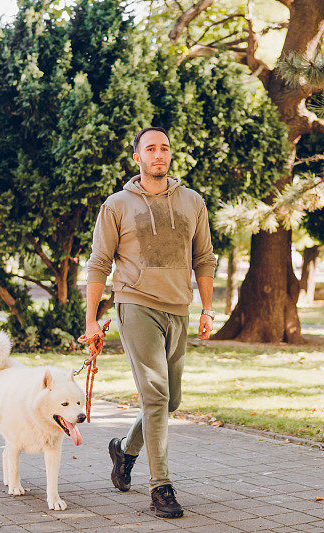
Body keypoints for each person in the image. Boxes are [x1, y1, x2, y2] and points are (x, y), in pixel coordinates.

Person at [83, 126, 216, 518]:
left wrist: (207, 309)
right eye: (151, 149)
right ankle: (161, 487)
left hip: (179, 308)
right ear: (137, 157)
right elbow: (99, 264)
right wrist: (91, 320)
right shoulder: (117, 205)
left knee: (170, 400)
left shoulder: (192, 202)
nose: (159, 154)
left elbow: (204, 258)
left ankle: (124, 451)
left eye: (165, 149)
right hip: (135, 304)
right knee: (156, 396)